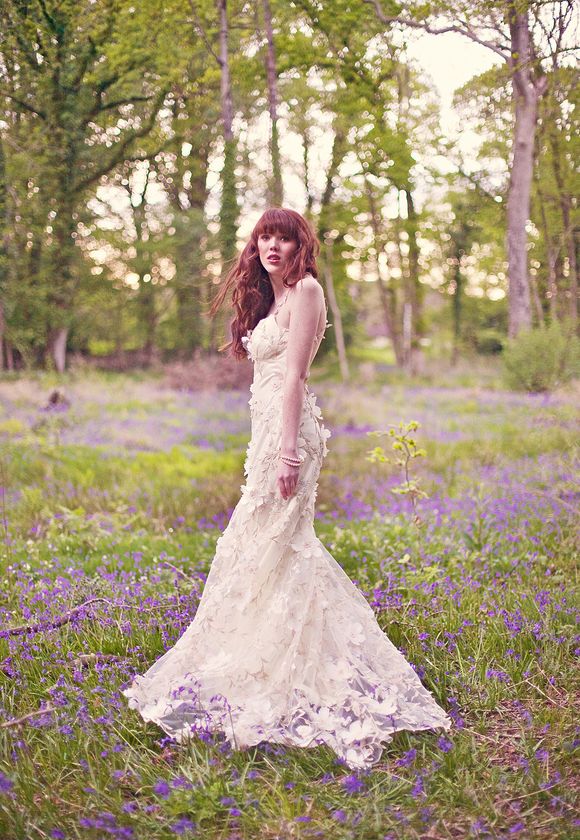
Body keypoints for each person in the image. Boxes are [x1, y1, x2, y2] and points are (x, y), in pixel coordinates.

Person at [122, 207, 452, 770]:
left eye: (284, 237)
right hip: (265, 437)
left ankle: (301, 668)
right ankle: (262, 657)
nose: (273, 246)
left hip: (290, 438)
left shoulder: (307, 293)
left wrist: (289, 452)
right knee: (264, 550)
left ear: (301, 244)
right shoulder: (269, 298)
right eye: (264, 237)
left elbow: (295, 375)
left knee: (272, 545)